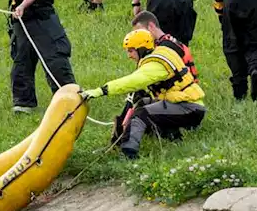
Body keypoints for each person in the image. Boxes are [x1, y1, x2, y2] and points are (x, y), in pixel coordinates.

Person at [78, 29, 205, 160]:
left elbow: (131, 82)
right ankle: (173, 138)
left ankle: (129, 154)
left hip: (189, 109)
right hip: (181, 104)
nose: (129, 55)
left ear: (142, 48)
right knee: (141, 103)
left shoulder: (155, 65)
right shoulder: (161, 52)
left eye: (131, 50)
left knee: (141, 114)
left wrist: (100, 91)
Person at [131, 10, 198, 82]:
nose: (139, 36)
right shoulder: (168, 42)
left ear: (151, 26)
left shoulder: (166, 47)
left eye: (141, 32)